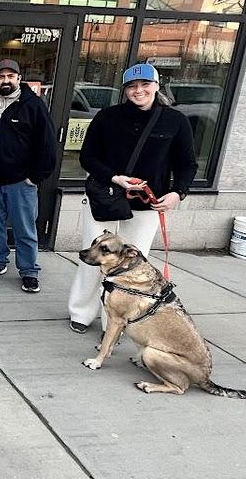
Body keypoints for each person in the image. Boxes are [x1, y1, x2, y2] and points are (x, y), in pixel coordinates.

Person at [67, 63, 197, 334]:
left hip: (147, 203)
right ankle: (81, 311)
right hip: (106, 197)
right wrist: (115, 177)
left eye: (145, 85)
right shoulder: (107, 117)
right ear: (125, 90)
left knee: (131, 266)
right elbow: (88, 157)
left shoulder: (176, 121)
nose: (139, 91)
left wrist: (178, 192)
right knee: (93, 257)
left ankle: (114, 321)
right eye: (132, 86)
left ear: (156, 86)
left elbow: (187, 164)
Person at [0, 59, 57, 293]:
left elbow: (47, 144)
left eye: (10, 76)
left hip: (21, 181)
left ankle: (29, 271)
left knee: (25, 229)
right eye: (1, 77)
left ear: (19, 79)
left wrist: (35, 176)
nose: (6, 81)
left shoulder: (33, 105)